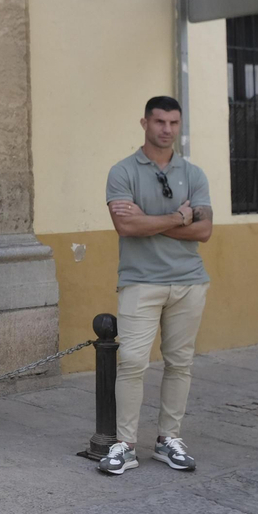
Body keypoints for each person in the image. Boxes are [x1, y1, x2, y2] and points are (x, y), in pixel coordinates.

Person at [99, 95, 213, 476]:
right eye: (160, 122)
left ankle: (169, 440)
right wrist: (178, 217)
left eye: (174, 123)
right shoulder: (122, 171)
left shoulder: (193, 175)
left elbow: (205, 229)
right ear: (144, 123)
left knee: (180, 363)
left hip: (189, 282)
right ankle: (126, 444)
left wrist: (151, 219)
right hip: (139, 282)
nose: (167, 129)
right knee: (132, 362)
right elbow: (126, 227)